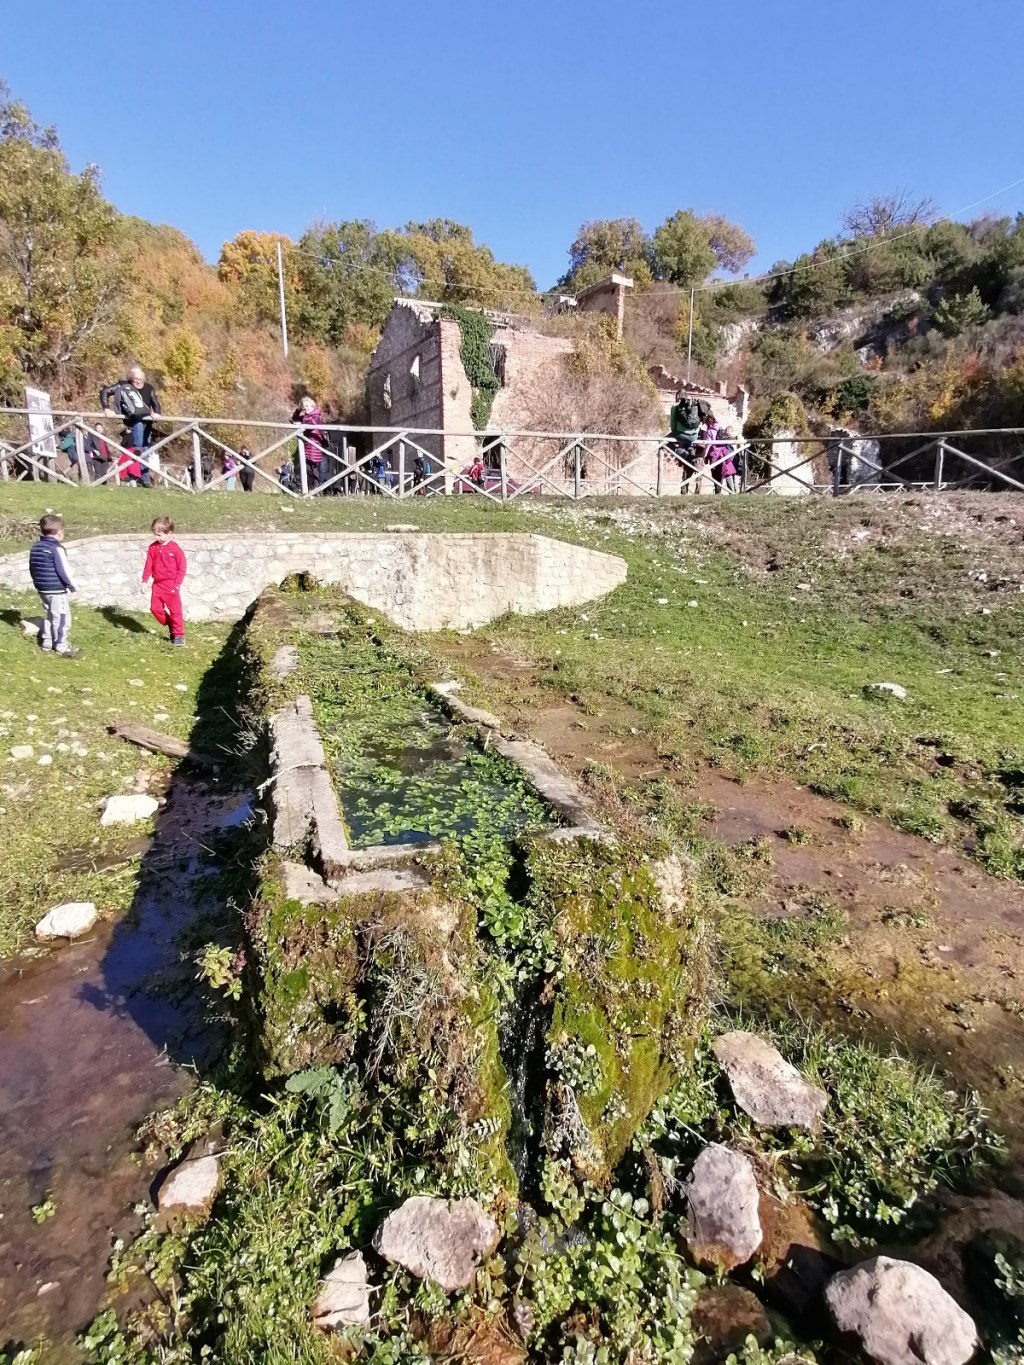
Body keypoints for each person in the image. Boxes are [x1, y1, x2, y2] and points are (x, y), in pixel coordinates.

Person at [28, 513, 81, 658]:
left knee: (50, 615)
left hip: (42, 588)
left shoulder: (36, 547)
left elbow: (33, 567)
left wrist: (37, 582)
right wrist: (73, 587)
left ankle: (46, 643)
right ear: (60, 532)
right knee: (62, 618)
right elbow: (63, 570)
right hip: (56, 589)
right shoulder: (57, 548)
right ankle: (61, 645)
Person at [100, 366, 161, 488]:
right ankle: (136, 457)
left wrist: (157, 413)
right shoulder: (123, 385)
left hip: (147, 421)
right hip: (132, 419)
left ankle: (145, 480)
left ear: (143, 379)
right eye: (135, 379)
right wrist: (107, 408)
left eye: (140, 379)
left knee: (145, 449)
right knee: (138, 443)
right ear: (131, 378)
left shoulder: (148, 388)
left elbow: (155, 402)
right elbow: (104, 392)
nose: (137, 381)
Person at [142, 516, 187, 648]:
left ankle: (178, 635)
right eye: (155, 535)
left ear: (169, 534)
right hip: (157, 584)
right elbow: (148, 564)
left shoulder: (175, 549)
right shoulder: (153, 548)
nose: (157, 538)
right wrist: (144, 581)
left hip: (171, 585)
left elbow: (182, 568)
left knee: (175, 611)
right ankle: (171, 624)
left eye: (159, 535)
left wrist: (176, 585)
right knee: (155, 608)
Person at [669, 389, 706, 493]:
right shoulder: (694, 405)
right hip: (694, 436)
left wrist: (676, 432)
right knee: (688, 439)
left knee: (665, 443)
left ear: (677, 397)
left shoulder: (675, 406)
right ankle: (689, 448)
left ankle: (680, 452)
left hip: (681, 435)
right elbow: (700, 422)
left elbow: (672, 425)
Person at [291, 395, 325, 490]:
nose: (305, 408)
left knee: (312, 469)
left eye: (307, 406)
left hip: (314, 445)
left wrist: (302, 423)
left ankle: (314, 489)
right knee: (308, 468)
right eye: (303, 406)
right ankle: (310, 488)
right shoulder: (306, 416)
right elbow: (295, 419)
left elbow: (312, 423)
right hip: (307, 445)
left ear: (312, 406)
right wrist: (298, 410)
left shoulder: (316, 416)